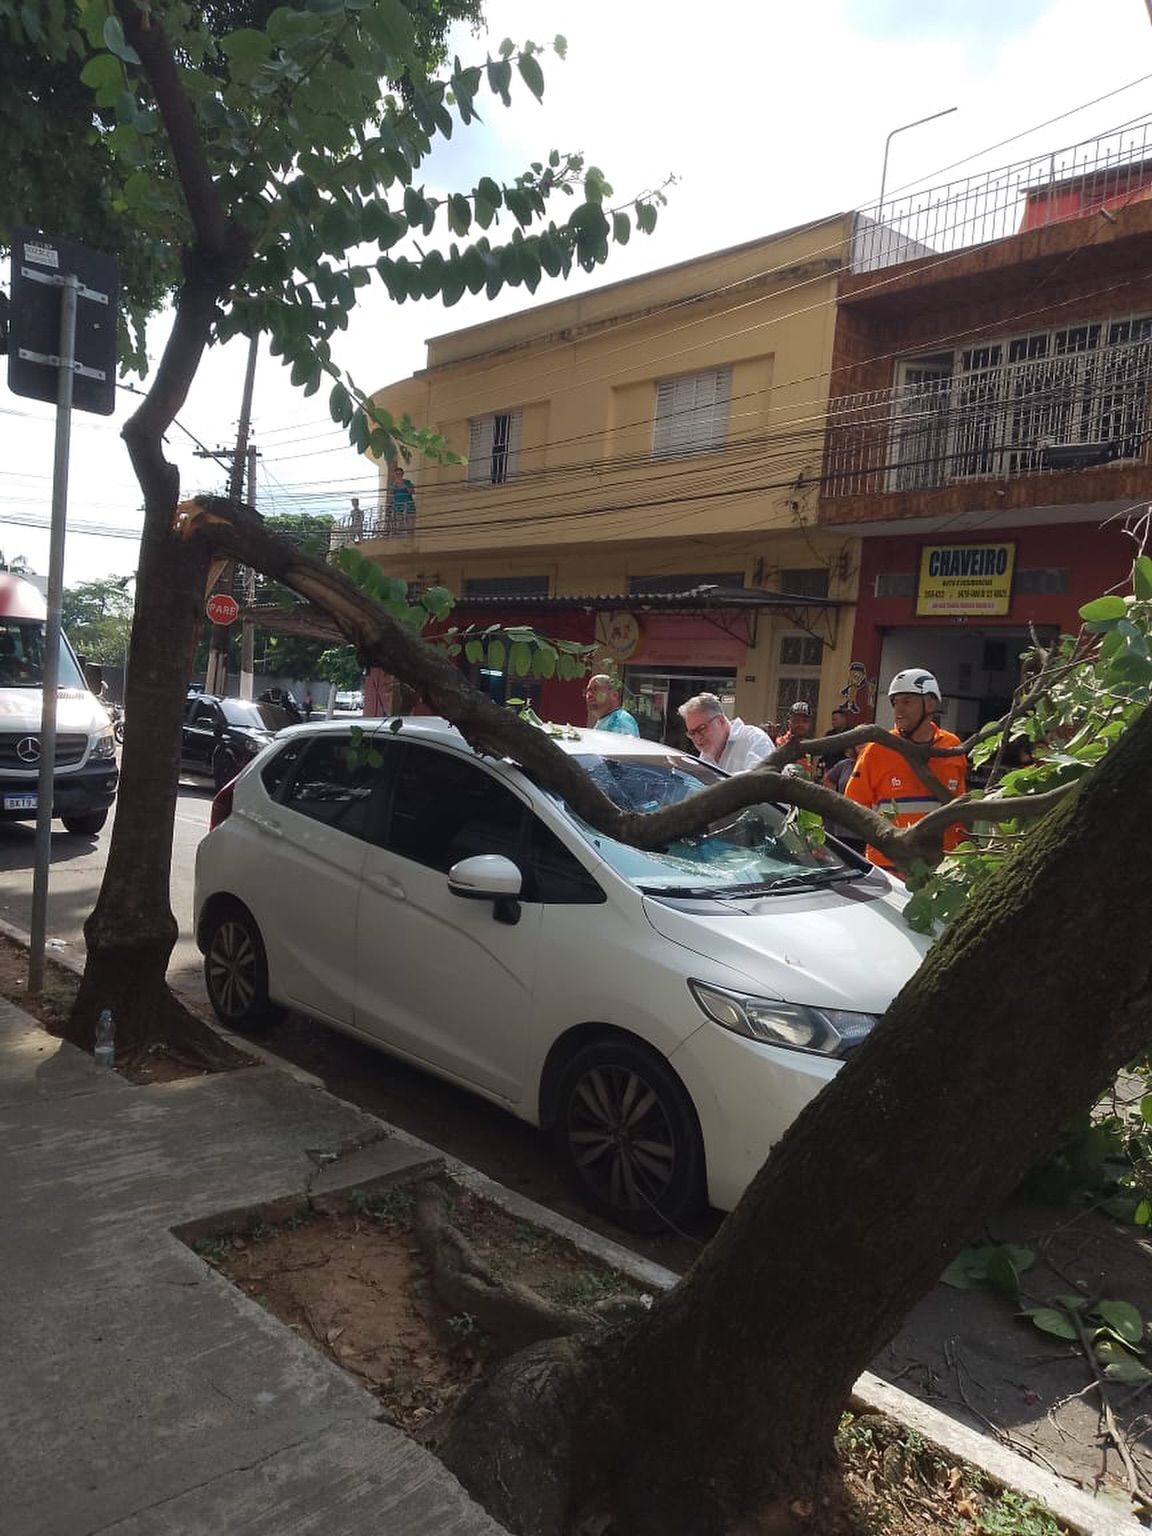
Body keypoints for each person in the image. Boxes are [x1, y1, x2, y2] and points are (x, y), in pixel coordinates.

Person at [845, 669, 967, 872]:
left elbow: (960, 805)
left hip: (943, 867)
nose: (898, 709)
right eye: (895, 702)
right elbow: (852, 807)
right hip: (890, 868)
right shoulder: (877, 749)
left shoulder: (952, 746)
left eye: (907, 701)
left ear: (930, 703)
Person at [678, 692, 775, 774]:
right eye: (692, 733)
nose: (698, 738)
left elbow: (759, 779)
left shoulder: (754, 739)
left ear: (721, 721)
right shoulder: (706, 755)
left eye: (702, 729)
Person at [775, 700, 816, 778]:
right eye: (796, 720)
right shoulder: (780, 742)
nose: (800, 724)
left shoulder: (810, 746)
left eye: (804, 721)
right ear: (788, 723)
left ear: (810, 724)